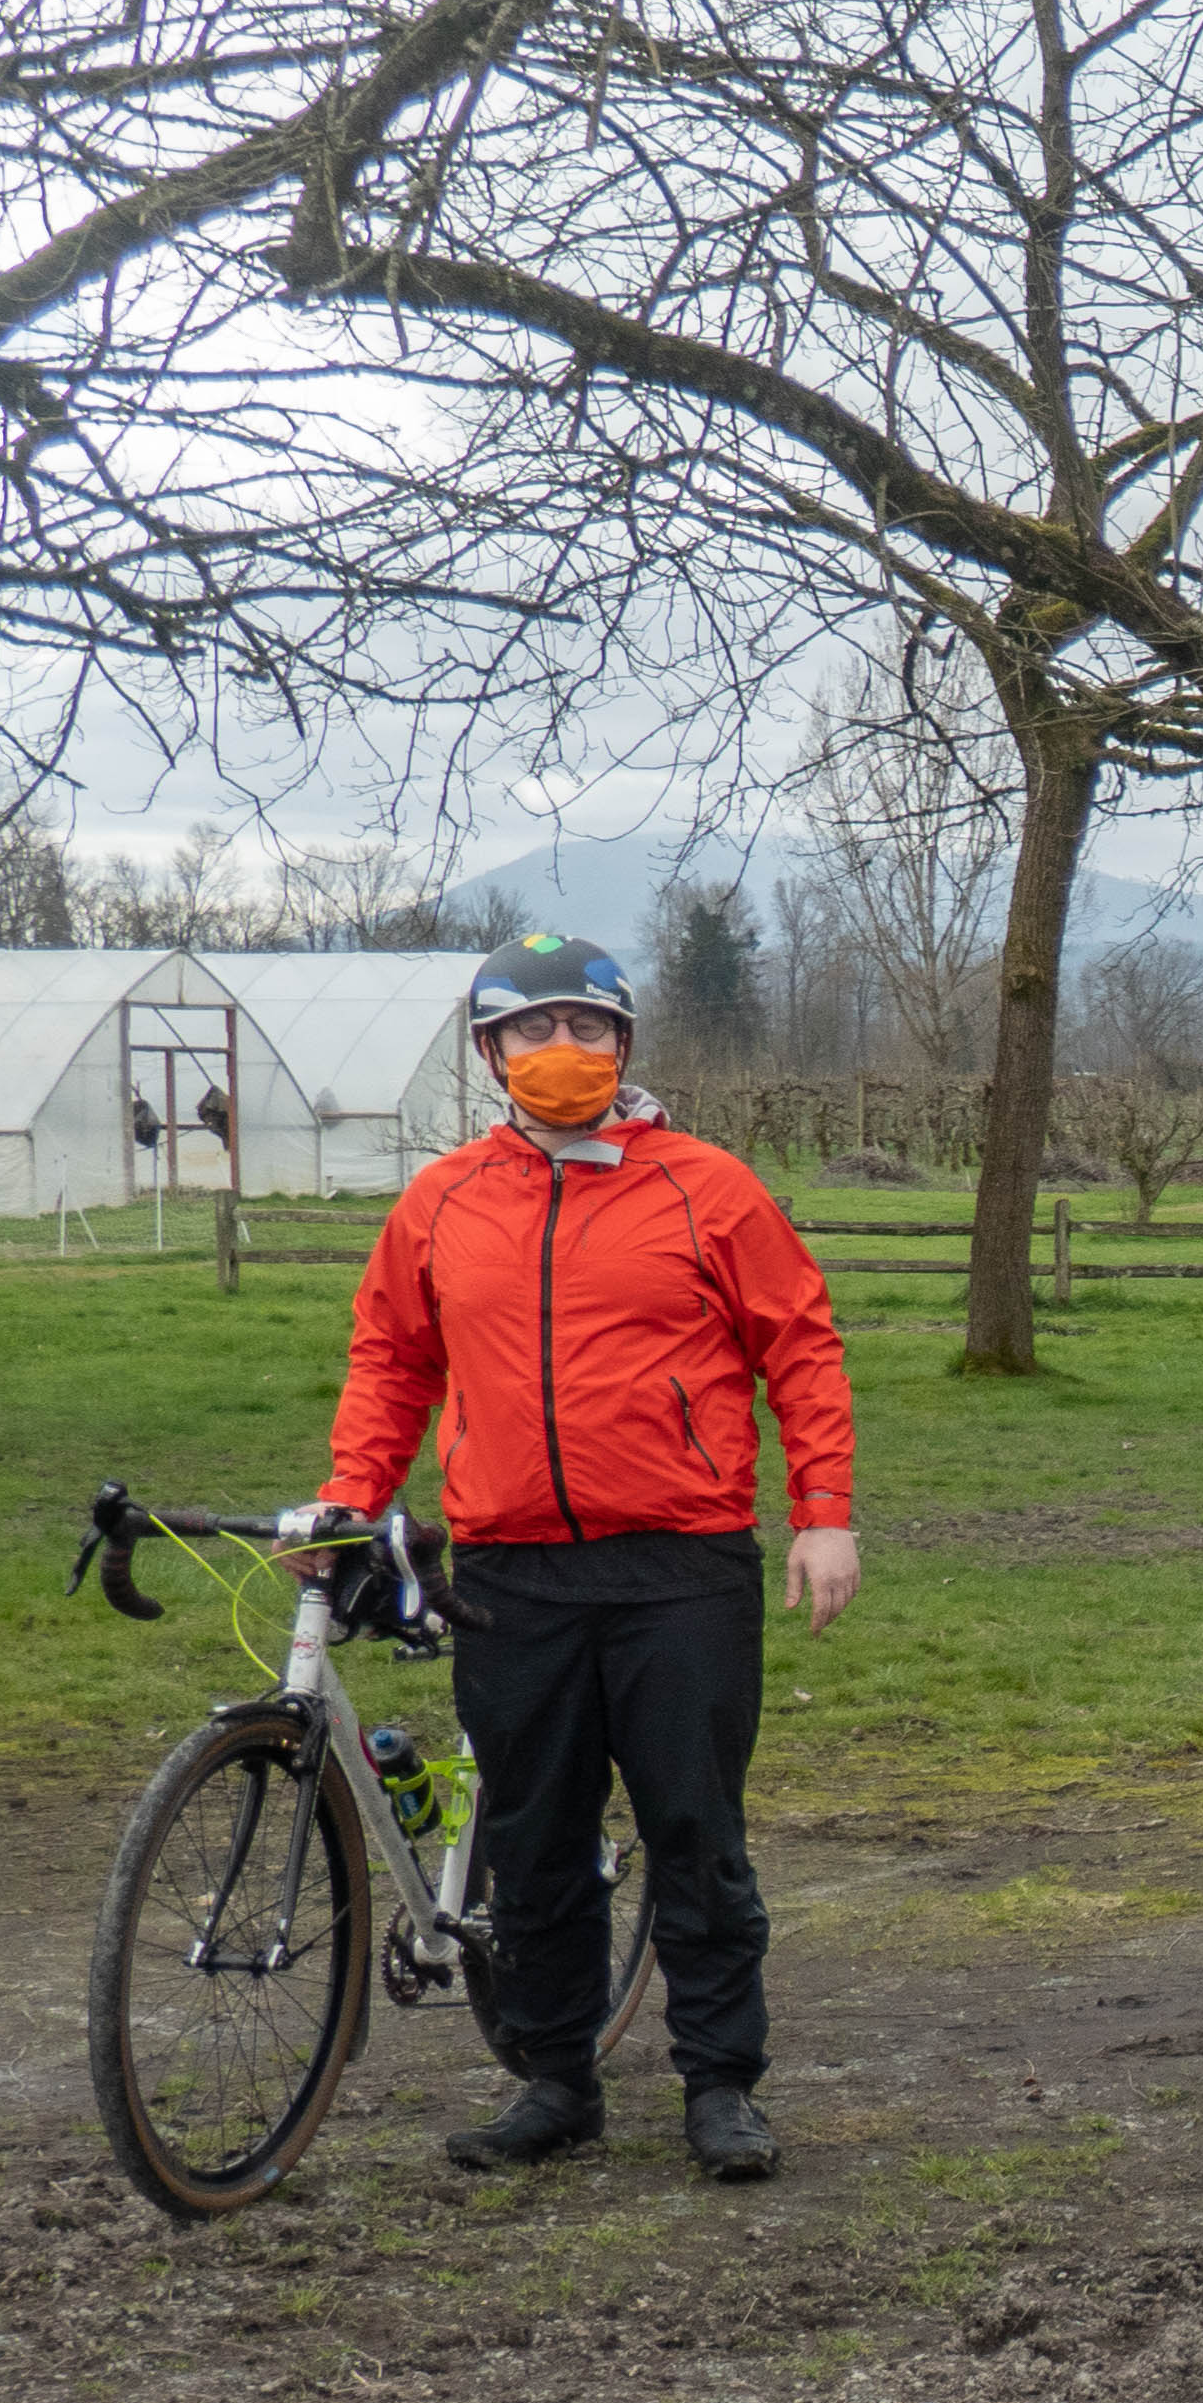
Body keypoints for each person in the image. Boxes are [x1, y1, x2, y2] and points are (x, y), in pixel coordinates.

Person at [316, 932, 858, 2182]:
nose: (563, 1050)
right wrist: (351, 1501)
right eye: (534, 1029)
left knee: (694, 1827)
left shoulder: (709, 1188)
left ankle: (720, 2081)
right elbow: (392, 1359)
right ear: (490, 1052)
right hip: (514, 1571)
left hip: (681, 1566)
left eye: (589, 1028)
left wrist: (824, 1509)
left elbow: (802, 1344)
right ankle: (555, 2078)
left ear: (624, 1045)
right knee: (533, 1836)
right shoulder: (442, 1201)